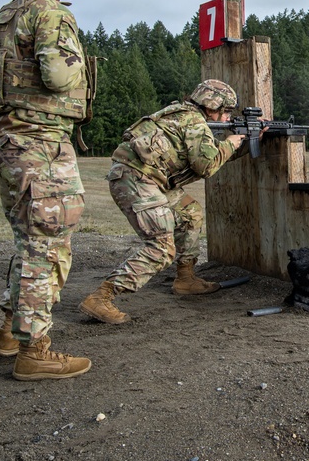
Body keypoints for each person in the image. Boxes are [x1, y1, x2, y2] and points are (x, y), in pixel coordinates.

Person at [0, 0, 96, 380]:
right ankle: (35, 351)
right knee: (47, 244)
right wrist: (80, 64)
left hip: (9, 139)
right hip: (39, 141)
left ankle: (11, 332)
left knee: (32, 240)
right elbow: (58, 77)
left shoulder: (5, 16)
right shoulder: (49, 12)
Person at [79, 80, 249, 324]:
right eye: (226, 111)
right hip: (137, 180)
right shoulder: (194, 122)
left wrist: (241, 143)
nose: (227, 117)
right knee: (161, 247)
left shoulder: (180, 113)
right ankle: (102, 297)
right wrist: (231, 142)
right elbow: (207, 166)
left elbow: (209, 156)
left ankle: (185, 279)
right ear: (212, 106)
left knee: (190, 213)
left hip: (143, 177)